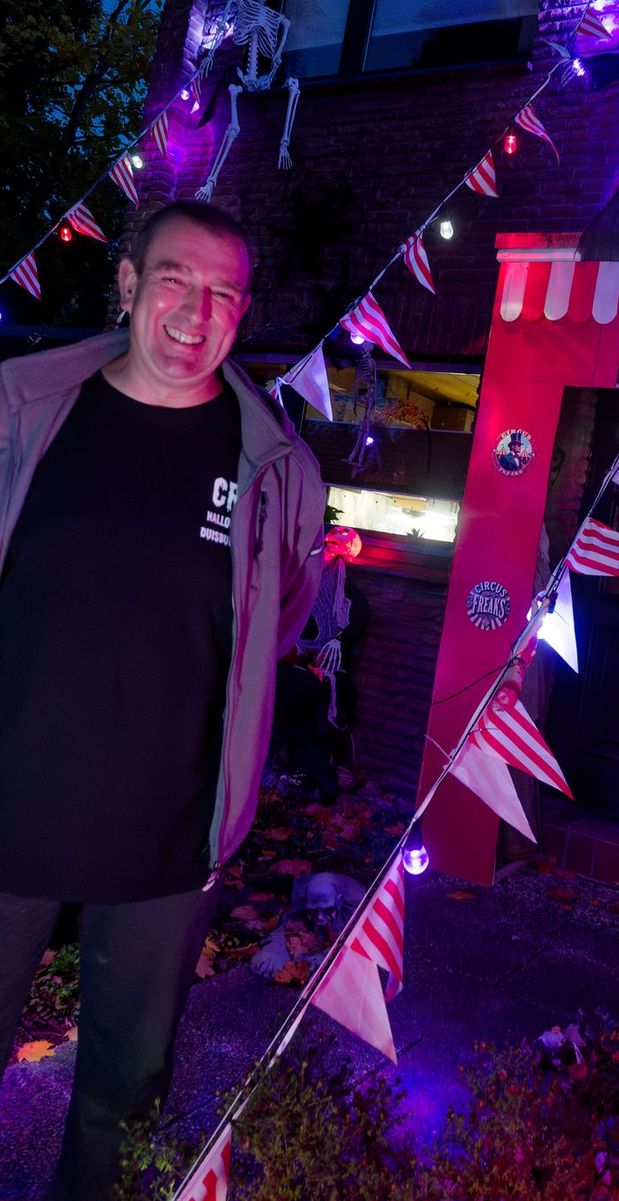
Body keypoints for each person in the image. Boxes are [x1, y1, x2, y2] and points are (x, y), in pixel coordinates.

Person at [0, 200, 325, 1198]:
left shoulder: (275, 467)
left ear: (243, 312)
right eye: (176, 279)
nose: (197, 311)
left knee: (122, 1096)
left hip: (170, 838)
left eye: (223, 292)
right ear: (130, 282)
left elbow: (280, 615)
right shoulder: (22, 412)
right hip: (8, 808)